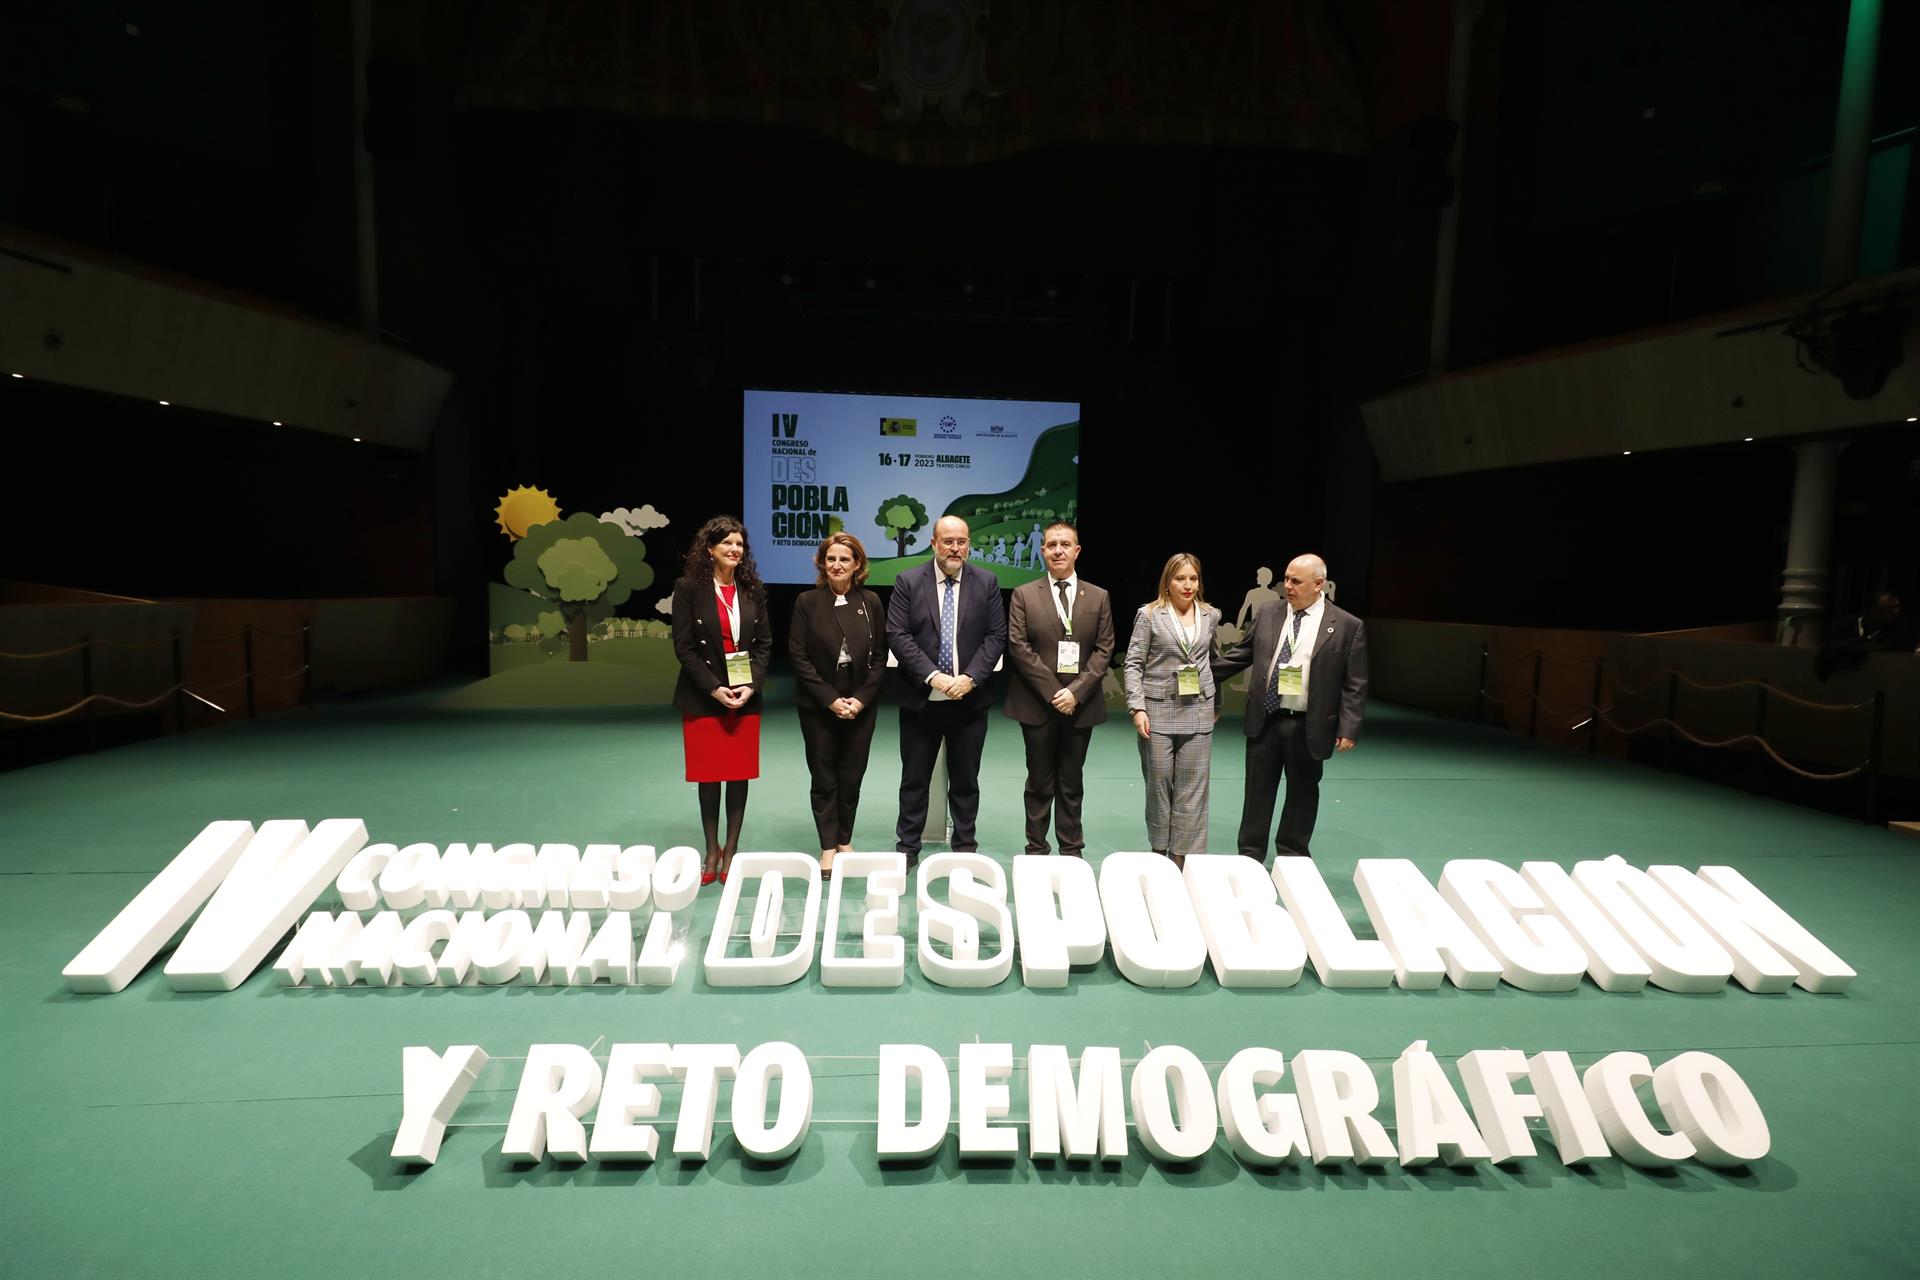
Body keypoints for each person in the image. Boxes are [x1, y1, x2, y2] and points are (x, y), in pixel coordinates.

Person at [1216, 553, 1367, 863]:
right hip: (1266, 718)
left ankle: (1292, 855)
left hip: (1309, 724)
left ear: (1319, 584)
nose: (1287, 586)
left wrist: (1348, 727)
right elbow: (1240, 655)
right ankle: (1250, 856)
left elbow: (1355, 683)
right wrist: (1192, 674)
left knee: (1302, 794)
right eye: (1286, 578)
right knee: (1257, 792)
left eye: (1295, 581)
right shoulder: (1269, 613)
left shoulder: (1347, 626)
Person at [888, 514, 1007, 866]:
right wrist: (933, 676)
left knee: (966, 779)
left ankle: (965, 847)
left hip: (969, 700)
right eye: (948, 541)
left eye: (961, 542)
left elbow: (996, 637)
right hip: (920, 699)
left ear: (968, 544)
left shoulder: (987, 582)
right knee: (914, 779)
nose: (955, 548)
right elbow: (897, 634)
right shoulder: (908, 581)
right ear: (934, 544)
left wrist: (969, 678)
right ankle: (907, 848)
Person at [1003, 521, 1116, 857]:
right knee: (1038, 782)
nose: (1057, 550)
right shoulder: (1024, 594)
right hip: (1037, 706)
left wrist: (1076, 693)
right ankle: (1036, 849)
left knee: (1071, 782)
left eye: (1065, 544)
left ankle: (1071, 849)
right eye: (1051, 545)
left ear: (1076, 551)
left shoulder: (1098, 596)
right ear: (1042, 551)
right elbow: (1019, 647)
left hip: (1080, 706)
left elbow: (1104, 648)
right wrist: (1056, 693)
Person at [671, 516, 773, 885]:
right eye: (727, 543)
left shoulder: (752, 589)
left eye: (740, 544)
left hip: (744, 693)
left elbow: (764, 644)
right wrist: (714, 688)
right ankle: (710, 848)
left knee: (738, 774)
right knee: (710, 776)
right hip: (704, 696)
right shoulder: (688, 589)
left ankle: (731, 848)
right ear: (710, 549)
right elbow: (683, 646)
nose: (734, 549)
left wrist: (751, 686)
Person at [788, 532, 887, 877]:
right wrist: (830, 700)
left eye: (844, 559)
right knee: (824, 775)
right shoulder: (807, 602)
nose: (837, 565)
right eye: (831, 559)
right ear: (822, 563)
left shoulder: (871, 601)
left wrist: (860, 699)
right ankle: (828, 845)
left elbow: (879, 658)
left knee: (851, 775)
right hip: (819, 704)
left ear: (857, 564)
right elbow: (798, 656)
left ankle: (845, 838)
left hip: (861, 703)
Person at [1123, 553, 1223, 866]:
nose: (1188, 585)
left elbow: (1214, 661)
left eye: (1193, 578)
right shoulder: (1149, 615)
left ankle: (1182, 857)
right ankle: (1158, 852)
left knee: (1193, 789)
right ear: (1168, 582)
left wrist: (1215, 702)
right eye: (1181, 578)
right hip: (1157, 713)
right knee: (1159, 786)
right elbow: (1134, 663)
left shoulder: (1211, 615)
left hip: (1198, 711)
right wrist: (1137, 708)